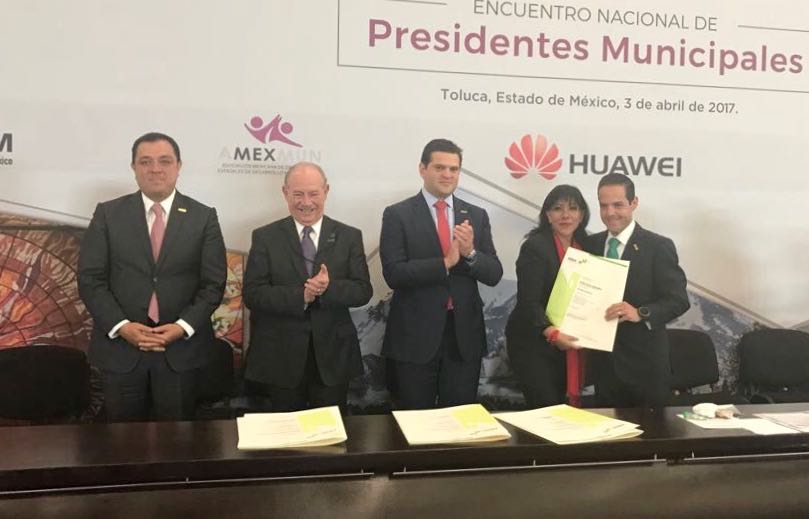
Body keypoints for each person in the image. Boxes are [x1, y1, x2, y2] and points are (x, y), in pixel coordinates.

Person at [78, 132, 227, 421]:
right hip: (121, 350)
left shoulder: (203, 217)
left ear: (179, 166)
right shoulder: (108, 214)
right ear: (133, 167)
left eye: (164, 161)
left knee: (177, 442)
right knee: (121, 441)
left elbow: (213, 284)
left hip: (180, 352)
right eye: (145, 161)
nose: (155, 169)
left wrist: (181, 327)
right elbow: (90, 279)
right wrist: (122, 326)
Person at [380, 138, 503, 409]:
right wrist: (444, 263)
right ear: (422, 169)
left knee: (460, 420)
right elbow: (394, 273)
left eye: (453, 169)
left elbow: (494, 273)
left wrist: (471, 252)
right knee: (415, 420)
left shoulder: (476, 215)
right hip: (415, 337)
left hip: (463, 338)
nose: (447, 174)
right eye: (439, 167)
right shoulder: (397, 214)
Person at [242, 162, 372, 412]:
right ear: (285, 193)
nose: (306, 202)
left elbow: (363, 290)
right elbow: (253, 294)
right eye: (298, 194)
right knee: (286, 432)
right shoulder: (265, 237)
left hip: (333, 357)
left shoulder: (349, 236)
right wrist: (301, 295)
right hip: (280, 358)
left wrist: (327, 288)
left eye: (313, 194)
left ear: (326, 191)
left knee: (331, 431)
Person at [586, 173, 689, 407]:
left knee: (651, 431)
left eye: (618, 205)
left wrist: (640, 313)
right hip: (604, 368)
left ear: (634, 203)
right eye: (603, 206)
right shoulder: (590, 245)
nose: (610, 212)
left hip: (645, 369)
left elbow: (678, 300)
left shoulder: (658, 246)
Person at [506, 185, 589, 408]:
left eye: (573, 208)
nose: (565, 215)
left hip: (568, 341)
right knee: (546, 408)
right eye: (557, 208)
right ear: (547, 215)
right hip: (534, 340)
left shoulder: (587, 247)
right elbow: (528, 302)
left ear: (582, 215)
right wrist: (551, 332)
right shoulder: (535, 247)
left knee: (564, 408)